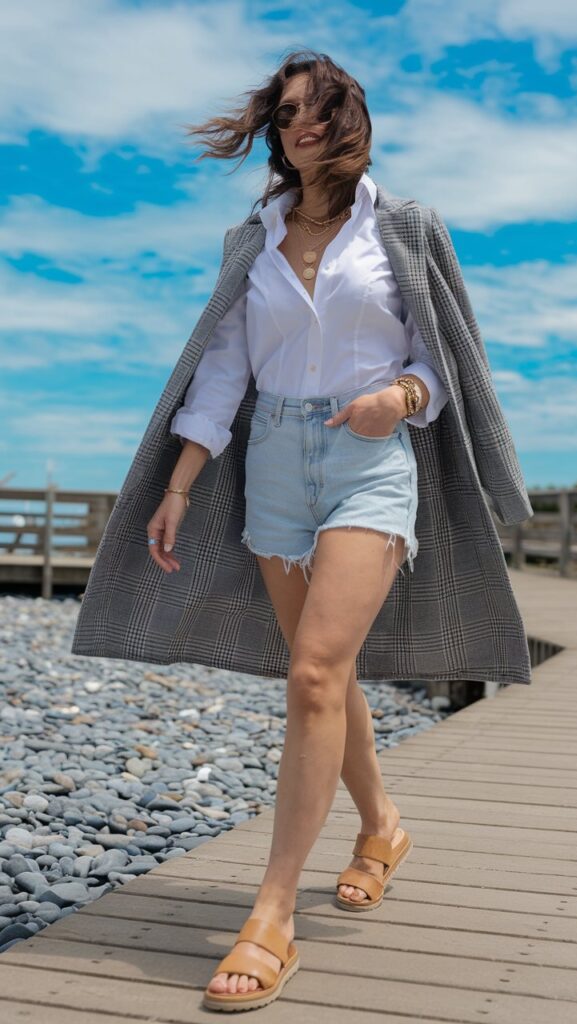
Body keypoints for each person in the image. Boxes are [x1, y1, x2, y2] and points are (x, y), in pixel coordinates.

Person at [149, 52, 445, 1011]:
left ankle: (272, 915)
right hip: (273, 460)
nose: (300, 123)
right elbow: (224, 369)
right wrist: (181, 484)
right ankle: (383, 825)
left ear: (349, 117)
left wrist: (399, 399)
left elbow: (440, 361)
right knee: (328, 674)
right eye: (284, 113)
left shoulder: (402, 226)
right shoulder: (255, 236)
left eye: (317, 108)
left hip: (367, 456)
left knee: (314, 673)